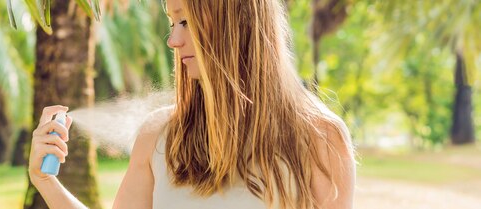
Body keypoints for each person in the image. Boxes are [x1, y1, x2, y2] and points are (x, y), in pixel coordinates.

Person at [27, 0, 356, 208]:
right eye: (172, 23)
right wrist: (47, 183)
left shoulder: (321, 138)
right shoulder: (158, 136)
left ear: (235, 19)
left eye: (185, 21)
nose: (173, 40)